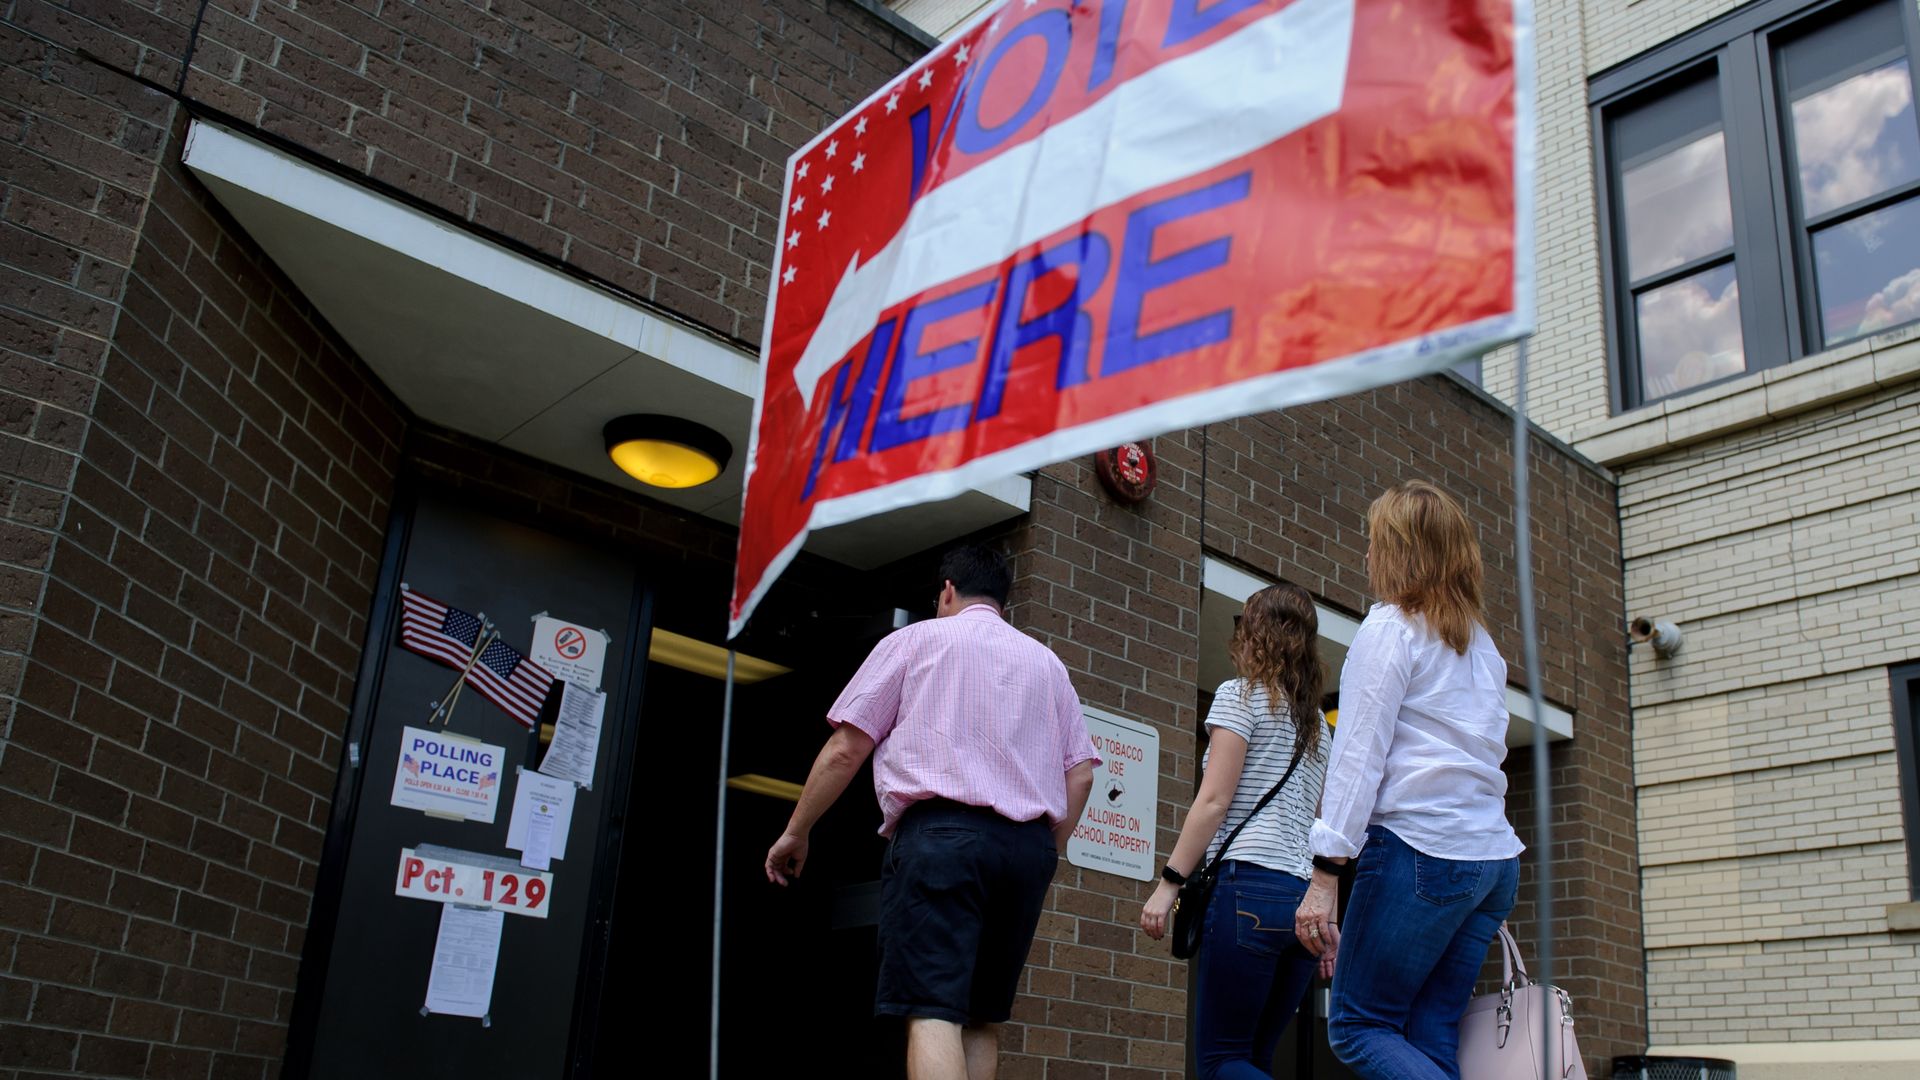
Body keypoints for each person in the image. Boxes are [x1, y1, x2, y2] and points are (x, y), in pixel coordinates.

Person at [765, 544, 1100, 1080]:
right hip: (1027, 849)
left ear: (947, 590)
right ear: (1001, 604)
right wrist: (1044, 853)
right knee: (981, 1016)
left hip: (942, 838)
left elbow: (847, 748)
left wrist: (796, 831)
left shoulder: (914, 641)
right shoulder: (1047, 665)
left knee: (932, 1008)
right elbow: (1081, 774)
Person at [1292, 481, 1524, 1080]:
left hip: (1422, 851)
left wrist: (1325, 875)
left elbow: (1358, 756)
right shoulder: (1484, 648)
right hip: (1492, 861)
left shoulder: (1391, 628)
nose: (1366, 557)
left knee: (1358, 1026)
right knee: (1429, 1032)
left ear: (1399, 552)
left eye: (1374, 544)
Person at [1140, 584, 1334, 1079]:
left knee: (1221, 1061)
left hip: (1248, 890)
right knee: (1254, 1060)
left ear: (1257, 635)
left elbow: (1213, 800)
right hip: (1300, 901)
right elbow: (1317, 823)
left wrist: (1169, 884)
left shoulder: (1239, 696)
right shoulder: (1318, 725)